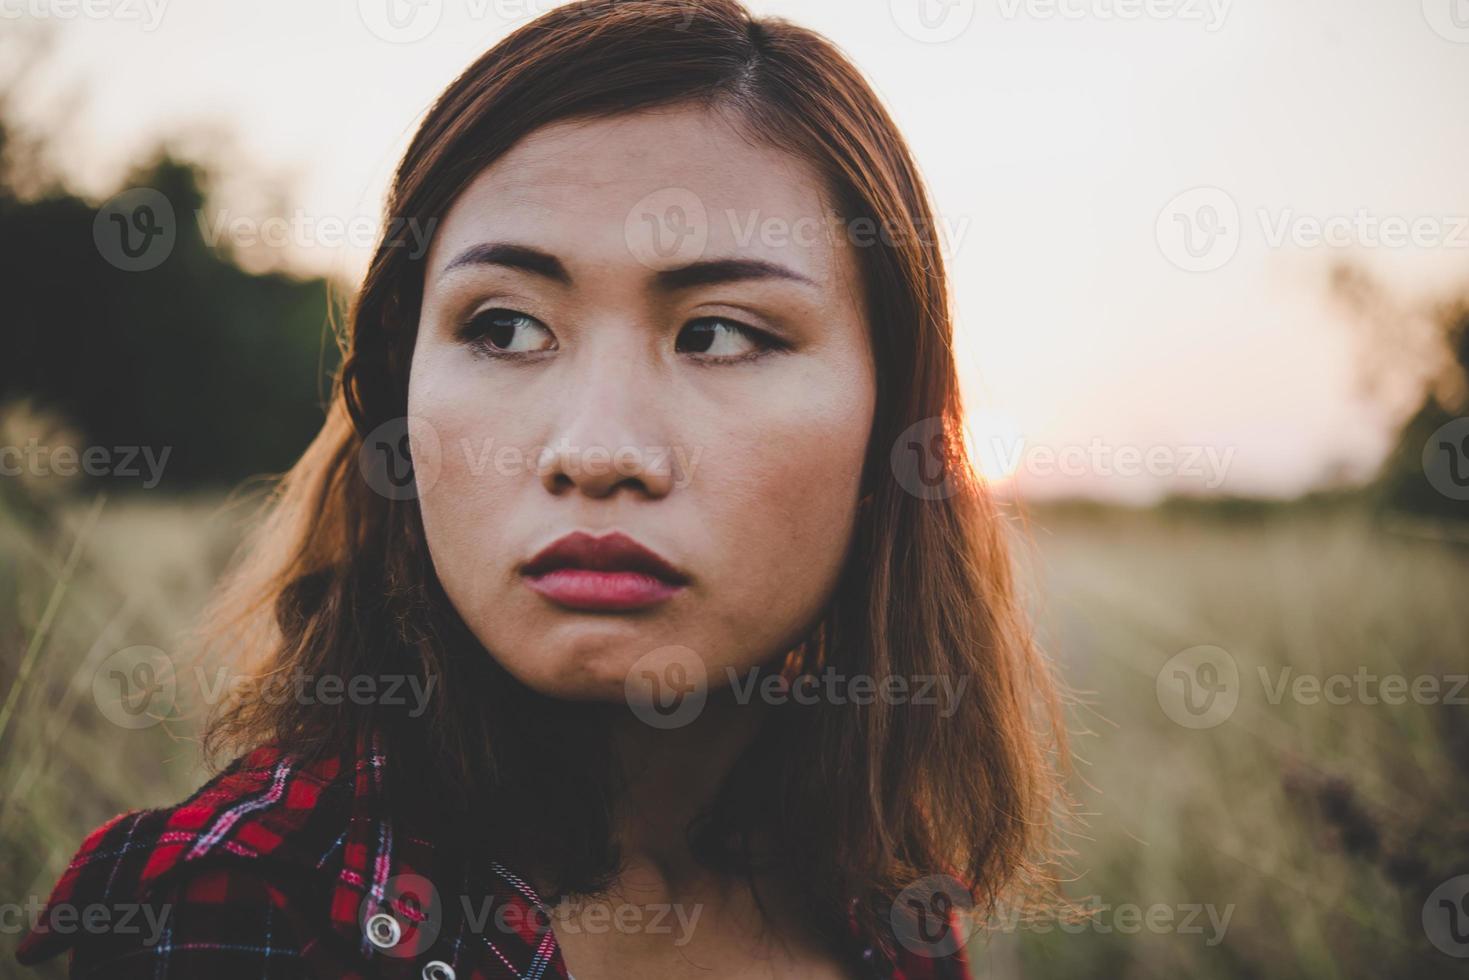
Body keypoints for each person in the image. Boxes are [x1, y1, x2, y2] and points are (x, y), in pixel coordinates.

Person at [17, 1, 1067, 976]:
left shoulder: (882, 906)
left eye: (718, 335)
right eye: (503, 327)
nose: (596, 449)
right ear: (396, 395)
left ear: (893, 418)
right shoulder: (232, 907)